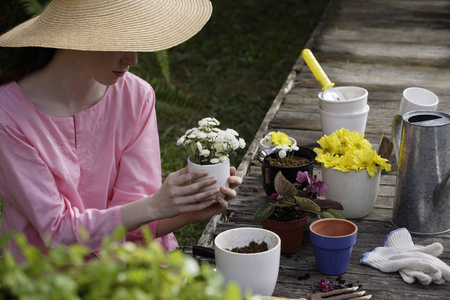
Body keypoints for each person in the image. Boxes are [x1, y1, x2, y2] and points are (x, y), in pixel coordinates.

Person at [0, 0, 242, 261]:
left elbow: (137, 219)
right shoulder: (9, 115)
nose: (133, 59)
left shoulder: (136, 96)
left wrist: (187, 209)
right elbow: (56, 232)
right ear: (74, 36)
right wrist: (155, 205)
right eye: (120, 41)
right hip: (47, 278)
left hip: (129, 268)